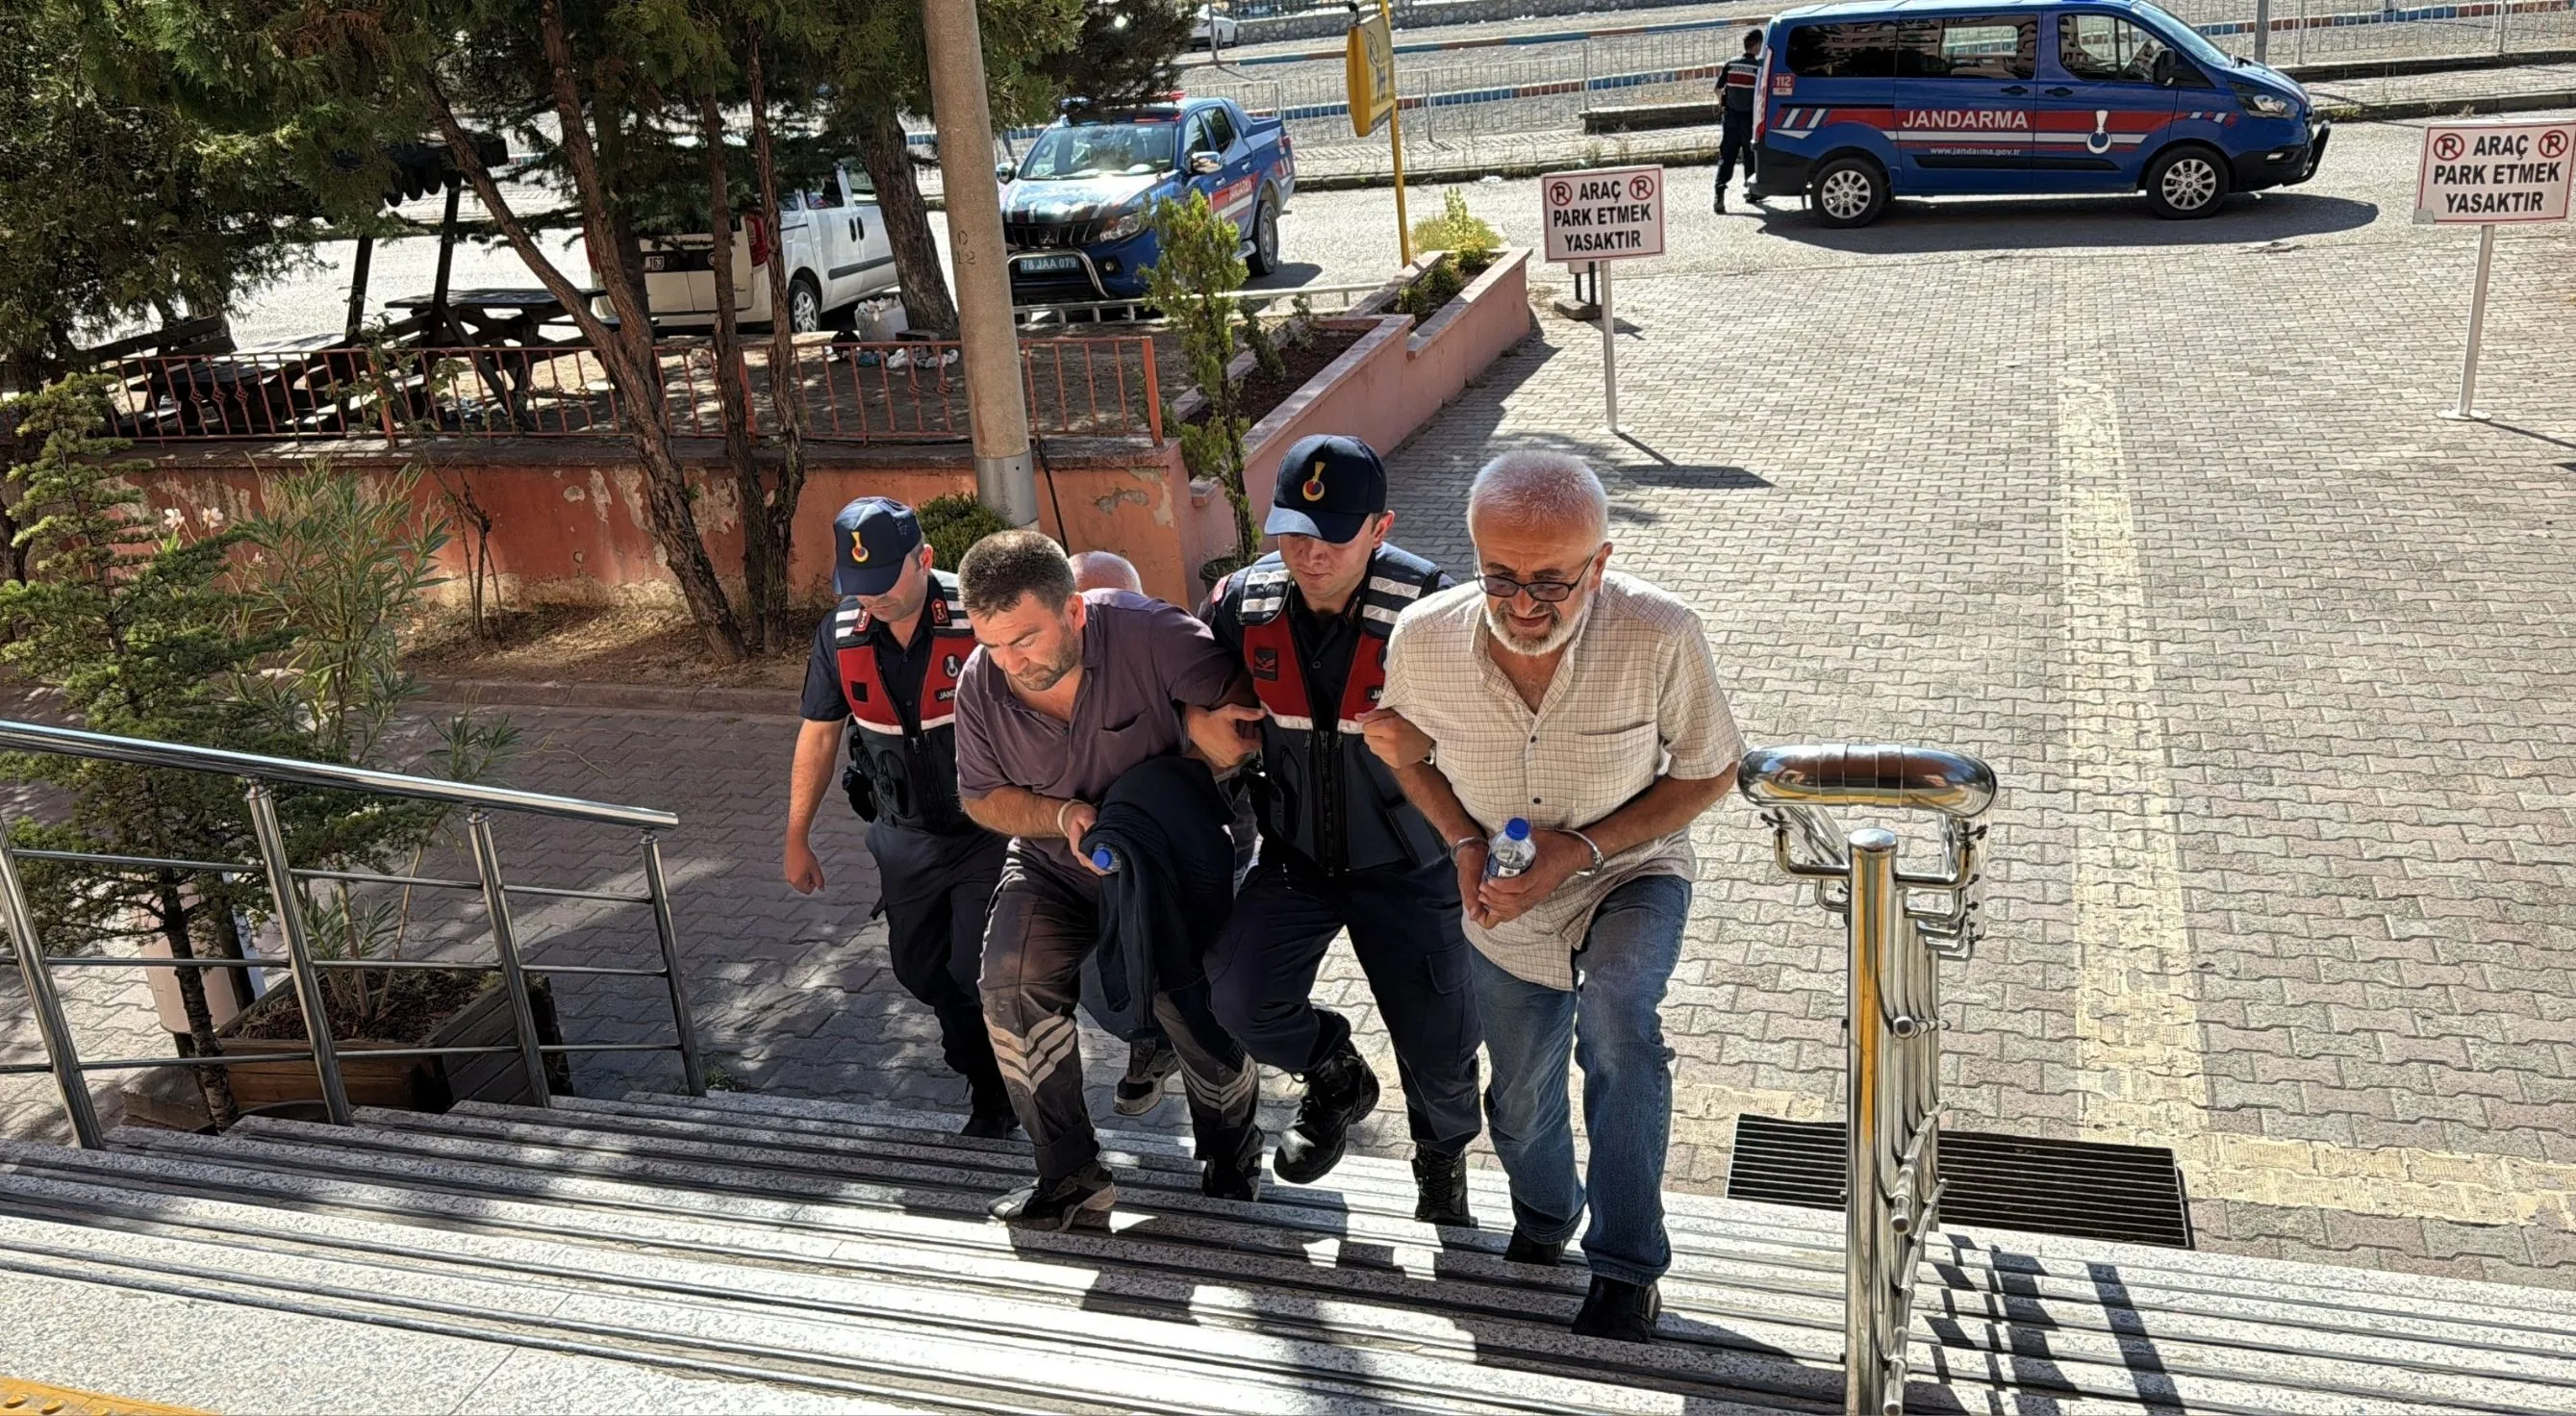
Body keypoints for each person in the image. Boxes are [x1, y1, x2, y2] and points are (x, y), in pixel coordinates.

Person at [1363, 451, 1741, 1343]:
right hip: (1505, 890)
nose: (1525, 605)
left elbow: (1711, 770)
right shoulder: (1421, 636)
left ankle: (1626, 1266)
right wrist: (1460, 840)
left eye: (1552, 583)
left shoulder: (1663, 632)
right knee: (1522, 1099)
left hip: (1630, 869)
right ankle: (1543, 1218)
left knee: (1619, 1023)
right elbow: (1404, 747)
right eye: (1502, 579)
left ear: (1601, 563)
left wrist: (1582, 847)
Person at [1200, 435, 1484, 1226]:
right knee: (1236, 993)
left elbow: (1504, 733)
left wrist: (1434, 747)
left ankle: (1442, 1165)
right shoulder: (1239, 604)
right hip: (1297, 860)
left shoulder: (1436, 614)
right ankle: (1335, 1075)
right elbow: (1190, 686)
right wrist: (1199, 719)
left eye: (1334, 533)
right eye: (1292, 528)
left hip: (1412, 865)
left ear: (1380, 528)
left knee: (1440, 1049)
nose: (1309, 550)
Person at [952, 529, 1270, 1230]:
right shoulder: (981, 680)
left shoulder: (1150, 632)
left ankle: (1232, 1150)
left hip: (1166, 866)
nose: (1010, 661)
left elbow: (1245, 709)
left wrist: (1201, 741)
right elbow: (980, 797)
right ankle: (1068, 1174)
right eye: (993, 644)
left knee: (1190, 1013)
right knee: (1008, 982)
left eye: (1024, 639)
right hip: (1052, 862)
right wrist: (1059, 812)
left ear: (1075, 612)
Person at [784, 497, 1015, 1138]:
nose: (873, 598)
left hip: (987, 833)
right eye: (859, 586)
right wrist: (796, 836)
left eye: (885, 580)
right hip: (905, 838)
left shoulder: (980, 616)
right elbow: (819, 736)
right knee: (922, 972)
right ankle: (985, 1069)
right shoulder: (840, 635)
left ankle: (1003, 1092)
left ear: (926, 560)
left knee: (977, 965)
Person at [1068, 547, 1183, 1120]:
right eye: (1086, 609)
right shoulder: (1045, 673)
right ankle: (1150, 1040)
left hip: (1187, 850)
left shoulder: (1177, 654)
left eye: (1116, 606)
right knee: (1099, 967)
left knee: (1204, 983)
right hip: (1095, 855)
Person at [1715, 29, 1764, 213]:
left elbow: (1718, 89)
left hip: (1731, 117)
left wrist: (1723, 105)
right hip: (1748, 118)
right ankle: (1752, 192)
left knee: (1726, 156)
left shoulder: (1730, 64)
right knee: (1750, 154)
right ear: (1757, 45)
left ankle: (1719, 195)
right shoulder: (1757, 68)